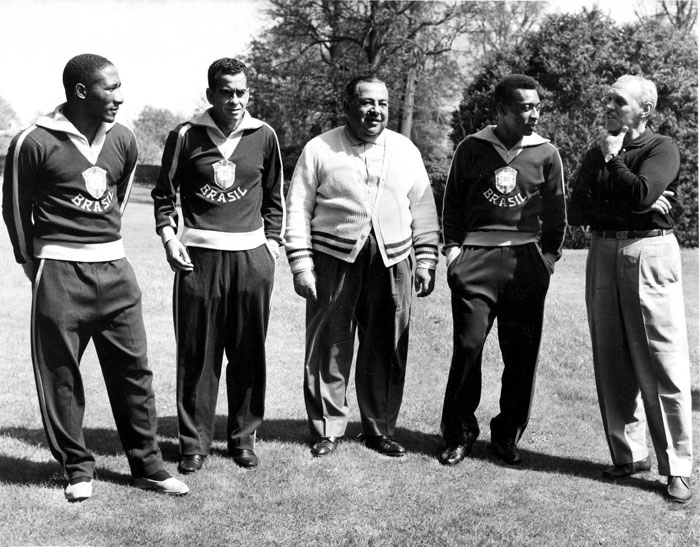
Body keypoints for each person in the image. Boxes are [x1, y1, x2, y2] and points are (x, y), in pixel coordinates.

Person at [2, 53, 189, 501]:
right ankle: (77, 469)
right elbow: (14, 210)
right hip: (59, 273)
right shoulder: (34, 140)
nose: (120, 97)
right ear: (82, 91)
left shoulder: (123, 138)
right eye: (112, 88)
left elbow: (118, 201)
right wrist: (38, 265)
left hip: (116, 269)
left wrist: (101, 246)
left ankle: (148, 466)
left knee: (134, 372)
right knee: (61, 374)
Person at [285, 75, 440, 458]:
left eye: (383, 104)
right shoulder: (320, 148)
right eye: (367, 102)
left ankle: (379, 428)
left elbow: (423, 208)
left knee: (386, 346)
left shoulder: (405, 149)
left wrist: (425, 259)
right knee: (330, 345)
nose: (376, 111)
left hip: (393, 258)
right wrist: (302, 265)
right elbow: (298, 208)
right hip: (334, 258)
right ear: (348, 106)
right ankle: (327, 427)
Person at [152, 58, 284, 474]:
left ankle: (243, 439)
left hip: (251, 258)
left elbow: (274, 196)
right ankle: (194, 444)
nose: (234, 100)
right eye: (226, 91)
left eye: (241, 92)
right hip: (199, 259)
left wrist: (273, 244)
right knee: (198, 354)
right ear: (210, 94)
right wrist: (170, 238)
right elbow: (162, 194)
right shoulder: (186, 135)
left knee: (248, 353)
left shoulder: (264, 135)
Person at [568, 75, 693, 504]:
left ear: (645, 109)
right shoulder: (596, 150)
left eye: (619, 101)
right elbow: (576, 208)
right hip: (602, 248)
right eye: (608, 99)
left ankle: (677, 467)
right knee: (612, 357)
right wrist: (632, 198)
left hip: (649, 253)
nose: (610, 106)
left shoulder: (661, 148)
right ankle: (630, 455)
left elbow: (643, 193)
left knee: (661, 360)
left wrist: (617, 164)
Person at [439, 74, 566, 467]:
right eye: (526, 107)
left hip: (526, 262)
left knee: (521, 354)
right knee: (469, 347)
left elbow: (557, 213)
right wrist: (453, 254)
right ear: (502, 111)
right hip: (475, 258)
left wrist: (547, 259)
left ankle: (507, 435)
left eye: (538, 107)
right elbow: (453, 205)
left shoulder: (546, 153)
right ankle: (460, 433)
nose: (535, 114)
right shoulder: (472, 148)